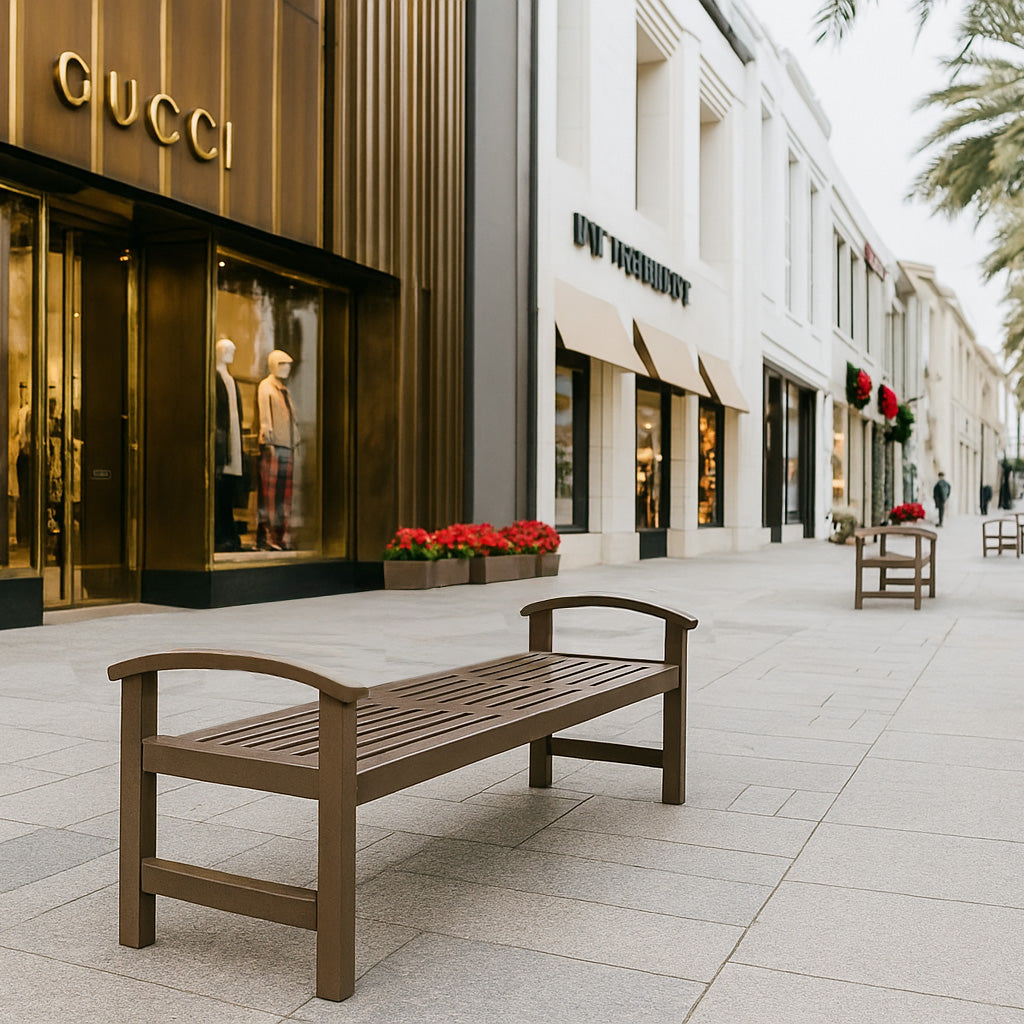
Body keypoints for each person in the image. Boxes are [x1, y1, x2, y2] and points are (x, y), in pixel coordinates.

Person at [257, 349, 300, 550]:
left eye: (288, 365)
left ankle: (281, 536)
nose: (287, 369)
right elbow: (265, 417)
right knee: (270, 494)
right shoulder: (266, 387)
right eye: (283, 364)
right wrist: (268, 441)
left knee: (285, 494)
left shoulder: (284, 389)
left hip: (287, 446)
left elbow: (292, 420)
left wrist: (295, 442)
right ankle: (267, 536)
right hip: (274, 446)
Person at [214, 338, 245, 552]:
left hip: (232, 441)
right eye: (227, 349)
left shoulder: (231, 379)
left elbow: (235, 414)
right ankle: (221, 534)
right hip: (222, 442)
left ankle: (228, 533)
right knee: (220, 489)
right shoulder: (215, 378)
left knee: (228, 489)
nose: (230, 352)